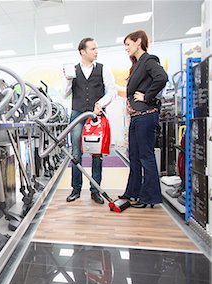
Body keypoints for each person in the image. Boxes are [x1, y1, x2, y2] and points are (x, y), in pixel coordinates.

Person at [64, 37, 117, 204]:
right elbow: (64, 94)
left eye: (96, 48)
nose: (96, 51)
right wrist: (67, 79)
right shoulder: (72, 70)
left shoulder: (103, 69)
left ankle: (95, 190)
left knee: (97, 153)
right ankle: (76, 189)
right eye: (93, 49)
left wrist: (99, 104)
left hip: (96, 116)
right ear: (83, 51)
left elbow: (112, 91)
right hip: (77, 115)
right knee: (76, 153)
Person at [119, 30, 168, 208]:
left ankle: (149, 197)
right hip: (137, 117)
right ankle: (133, 191)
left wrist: (147, 96)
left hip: (146, 116)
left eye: (128, 44)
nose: (126, 48)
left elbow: (162, 78)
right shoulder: (137, 64)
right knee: (134, 156)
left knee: (146, 156)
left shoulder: (149, 60)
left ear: (138, 42)